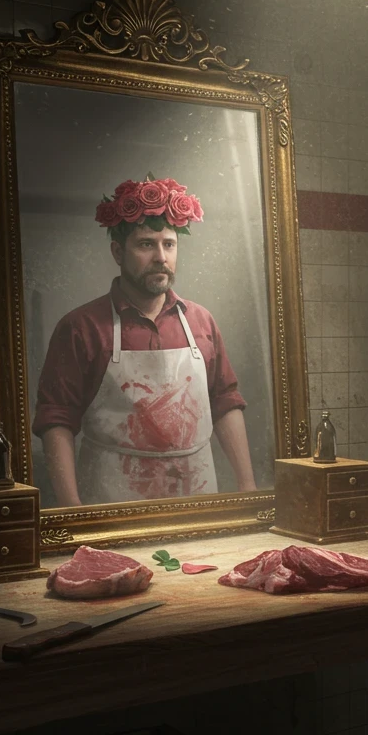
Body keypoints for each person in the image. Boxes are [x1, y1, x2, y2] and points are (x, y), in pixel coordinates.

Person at [32, 175, 257, 506]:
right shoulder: (81, 327)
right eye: (146, 245)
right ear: (117, 251)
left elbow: (225, 402)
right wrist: (71, 508)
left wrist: (247, 487)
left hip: (197, 500)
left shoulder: (201, 321)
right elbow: (56, 419)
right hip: (113, 501)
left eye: (169, 244)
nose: (161, 257)